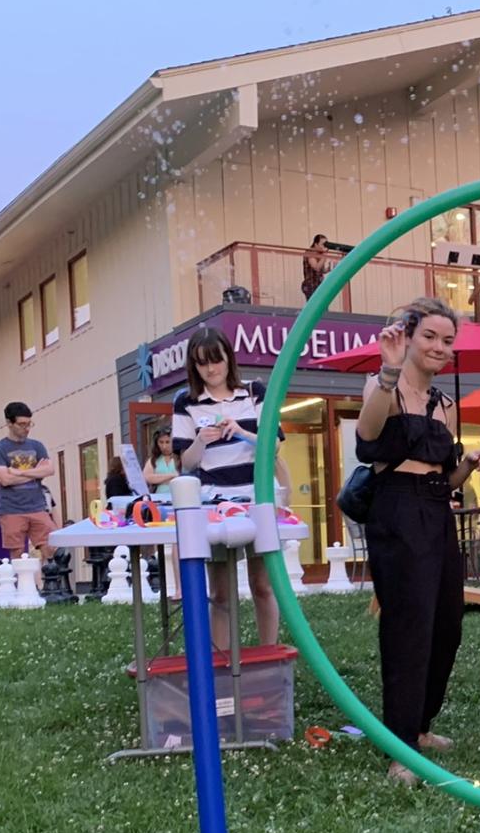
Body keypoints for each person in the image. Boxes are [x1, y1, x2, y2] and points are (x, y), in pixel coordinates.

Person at [354, 297, 480, 784]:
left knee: (446, 624)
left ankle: (420, 726)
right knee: (408, 626)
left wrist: (469, 465)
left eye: (447, 341)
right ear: (408, 337)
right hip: (394, 510)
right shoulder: (383, 385)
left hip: (436, 510)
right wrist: (389, 371)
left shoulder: (445, 405)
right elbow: (367, 436)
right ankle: (400, 746)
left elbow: (446, 479)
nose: (439, 347)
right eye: (430, 336)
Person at [169, 326, 284, 648]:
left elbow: (273, 446)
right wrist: (200, 441)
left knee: (263, 585)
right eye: (202, 363)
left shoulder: (254, 393)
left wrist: (241, 432)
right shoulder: (186, 403)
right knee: (220, 590)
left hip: (257, 497)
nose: (211, 369)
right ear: (194, 365)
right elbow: (186, 463)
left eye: (216, 360)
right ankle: (222, 661)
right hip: (214, 502)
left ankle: (269, 655)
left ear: (228, 359)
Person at [0, 402, 58, 560]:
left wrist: (18, 472)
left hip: (37, 507)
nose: (26, 428)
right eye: (21, 424)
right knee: (17, 553)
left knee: (52, 546)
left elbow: (49, 470)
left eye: (29, 424)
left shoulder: (37, 446)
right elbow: (5, 479)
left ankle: (50, 582)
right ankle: (21, 584)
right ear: (9, 423)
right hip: (11, 509)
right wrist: (35, 473)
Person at [143, 429, 179, 503]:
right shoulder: (153, 459)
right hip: (158, 499)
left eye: (167, 442)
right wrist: (173, 475)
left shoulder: (181, 457)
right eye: (161, 442)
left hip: (178, 497)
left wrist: (159, 479)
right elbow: (148, 477)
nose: (164, 446)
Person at [302, 234, 336, 300]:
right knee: (314, 307)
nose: (324, 247)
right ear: (316, 244)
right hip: (311, 286)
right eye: (322, 244)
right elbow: (316, 267)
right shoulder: (310, 253)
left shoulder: (320, 254)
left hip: (319, 285)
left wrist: (329, 268)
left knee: (323, 306)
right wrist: (324, 255)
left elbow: (321, 270)